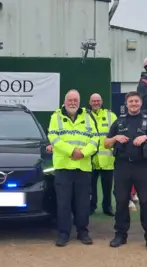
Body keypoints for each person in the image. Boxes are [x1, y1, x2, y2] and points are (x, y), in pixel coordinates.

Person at [104, 91, 147, 253]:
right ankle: (120, 235)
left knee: (146, 202)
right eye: (131, 101)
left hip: (143, 167)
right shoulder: (119, 122)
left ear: (140, 103)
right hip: (122, 167)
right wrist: (115, 138)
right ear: (126, 104)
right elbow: (106, 143)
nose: (133, 104)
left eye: (136, 101)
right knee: (121, 201)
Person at [47, 89, 99, 247]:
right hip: (63, 168)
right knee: (63, 203)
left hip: (83, 168)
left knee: (82, 203)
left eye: (75, 100)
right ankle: (63, 233)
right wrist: (71, 151)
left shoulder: (88, 116)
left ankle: (83, 232)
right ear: (65, 101)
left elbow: (95, 139)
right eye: (70, 100)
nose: (73, 103)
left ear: (79, 101)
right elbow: (53, 138)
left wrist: (83, 153)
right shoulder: (56, 117)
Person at [87, 93, 117, 216]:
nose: (96, 103)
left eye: (98, 100)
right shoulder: (85, 117)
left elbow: (117, 133)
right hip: (91, 159)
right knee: (91, 187)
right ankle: (92, 206)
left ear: (102, 101)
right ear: (89, 102)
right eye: (93, 101)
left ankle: (107, 207)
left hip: (107, 159)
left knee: (107, 187)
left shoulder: (111, 116)